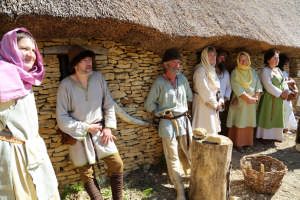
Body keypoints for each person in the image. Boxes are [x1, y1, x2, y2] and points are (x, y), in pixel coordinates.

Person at [56, 46, 123, 200]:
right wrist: (85, 127)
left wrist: (108, 127)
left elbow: (109, 104)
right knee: (86, 174)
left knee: (117, 164)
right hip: (78, 136)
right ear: (75, 64)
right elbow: (61, 118)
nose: (89, 62)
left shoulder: (98, 78)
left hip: (100, 131)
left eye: (90, 59)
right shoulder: (65, 85)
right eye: (84, 60)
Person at [0, 28, 60, 199]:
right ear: (10, 48)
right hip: (12, 156)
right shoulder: (3, 75)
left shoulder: (21, 78)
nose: (31, 54)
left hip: (33, 150)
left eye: (33, 50)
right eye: (24, 48)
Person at [144, 48, 193, 200]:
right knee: (172, 156)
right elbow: (149, 105)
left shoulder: (183, 79)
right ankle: (180, 190)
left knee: (189, 152)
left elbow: (189, 97)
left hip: (184, 121)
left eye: (179, 63)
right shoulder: (159, 82)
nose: (179, 65)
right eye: (176, 62)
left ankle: (194, 182)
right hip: (167, 123)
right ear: (166, 64)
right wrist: (162, 112)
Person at [226, 52, 262, 150]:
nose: (243, 62)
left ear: (249, 60)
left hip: (251, 103)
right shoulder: (235, 72)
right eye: (241, 60)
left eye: (245, 59)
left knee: (249, 121)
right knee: (239, 121)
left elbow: (258, 84)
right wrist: (248, 98)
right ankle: (238, 143)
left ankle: (248, 142)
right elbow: (236, 87)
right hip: (240, 101)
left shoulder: (253, 72)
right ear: (238, 61)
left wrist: (257, 95)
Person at [257, 49, 289, 142]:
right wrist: (280, 93)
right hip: (269, 98)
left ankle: (276, 136)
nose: (277, 60)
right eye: (274, 58)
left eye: (277, 58)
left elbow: (283, 82)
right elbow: (268, 85)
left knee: (277, 117)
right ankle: (265, 137)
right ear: (268, 59)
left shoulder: (278, 70)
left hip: (279, 99)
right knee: (268, 116)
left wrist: (286, 90)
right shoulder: (265, 71)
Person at [192, 46, 223, 135]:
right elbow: (204, 91)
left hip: (213, 105)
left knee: (212, 130)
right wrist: (215, 105)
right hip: (203, 105)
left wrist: (220, 100)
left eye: (214, 55)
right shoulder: (200, 71)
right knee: (203, 131)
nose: (213, 57)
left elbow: (217, 88)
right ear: (204, 57)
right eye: (210, 55)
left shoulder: (211, 70)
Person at [278, 53, 298, 132]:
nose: (286, 64)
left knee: (288, 109)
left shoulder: (284, 72)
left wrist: (294, 90)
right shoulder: (277, 71)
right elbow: (280, 83)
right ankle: (282, 127)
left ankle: (285, 126)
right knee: (284, 109)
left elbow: (290, 82)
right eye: (285, 62)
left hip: (288, 92)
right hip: (281, 93)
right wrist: (290, 82)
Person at [215, 50, 232, 135]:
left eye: (224, 58)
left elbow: (229, 87)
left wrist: (225, 98)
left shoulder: (226, 73)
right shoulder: (210, 71)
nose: (223, 59)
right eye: (221, 56)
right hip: (211, 101)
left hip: (221, 101)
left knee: (219, 120)